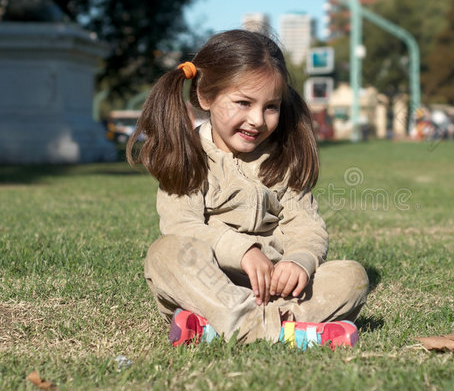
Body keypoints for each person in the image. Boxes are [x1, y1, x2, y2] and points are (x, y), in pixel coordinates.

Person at [127, 30, 368, 350]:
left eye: (271, 107)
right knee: (164, 253)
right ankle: (284, 330)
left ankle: (221, 330)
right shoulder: (187, 155)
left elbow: (306, 226)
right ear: (205, 96)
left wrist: (299, 261)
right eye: (243, 102)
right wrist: (243, 252)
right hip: (210, 291)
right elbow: (181, 228)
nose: (257, 119)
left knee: (352, 277)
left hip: (275, 292)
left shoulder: (283, 157)